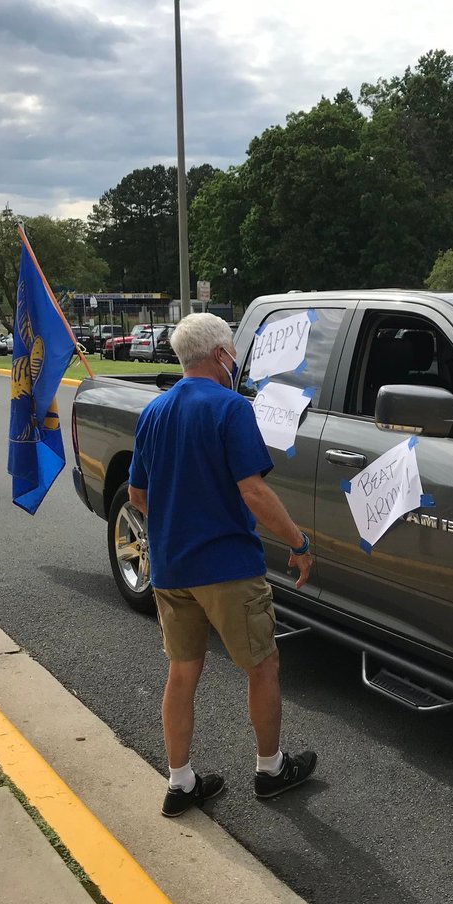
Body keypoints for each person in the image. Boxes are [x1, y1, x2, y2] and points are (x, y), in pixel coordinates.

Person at [127, 312, 317, 818]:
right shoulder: (232, 408)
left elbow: (138, 494)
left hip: (171, 569)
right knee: (262, 666)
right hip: (228, 568)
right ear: (219, 356)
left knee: (182, 671)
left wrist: (179, 519)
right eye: (233, 352)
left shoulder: (155, 411)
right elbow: (253, 490)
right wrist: (297, 542)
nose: (235, 361)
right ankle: (271, 769)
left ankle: (181, 781)